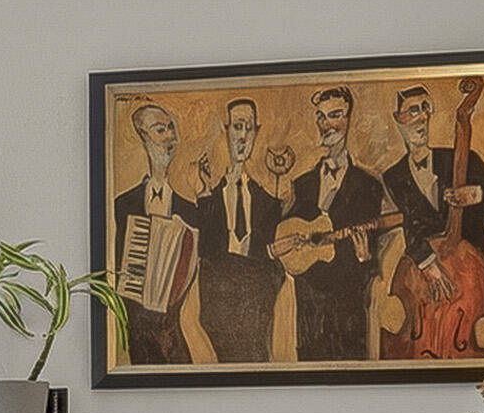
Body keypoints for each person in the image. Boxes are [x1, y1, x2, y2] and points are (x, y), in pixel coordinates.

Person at [272, 85, 391, 361]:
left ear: (348, 118)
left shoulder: (368, 186)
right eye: (321, 117)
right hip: (309, 312)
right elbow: (289, 243)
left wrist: (364, 258)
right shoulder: (302, 184)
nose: (327, 125)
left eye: (335, 115)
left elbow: (372, 260)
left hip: (347, 309)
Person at [194, 96, 290, 364]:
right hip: (221, 310)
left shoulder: (267, 201)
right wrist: (205, 193)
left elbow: (271, 262)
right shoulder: (209, 198)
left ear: (257, 133)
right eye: (237, 127)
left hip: (256, 312)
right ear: (226, 131)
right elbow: (206, 255)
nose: (243, 136)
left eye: (249, 128)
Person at [108, 101, 202, 366]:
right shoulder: (123, 205)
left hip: (172, 326)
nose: (170, 136)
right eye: (160, 130)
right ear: (143, 137)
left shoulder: (189, 209)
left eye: (171, 128)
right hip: (137, 323)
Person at [375, 84, 484, 302]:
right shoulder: (394, 177)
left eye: (425, 108)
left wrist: (477, 194)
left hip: (470, 271)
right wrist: (426, 263)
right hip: (427, 276)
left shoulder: (462, 158)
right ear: (398, 118)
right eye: (413, 110)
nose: (422, 117)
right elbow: (411, 225)